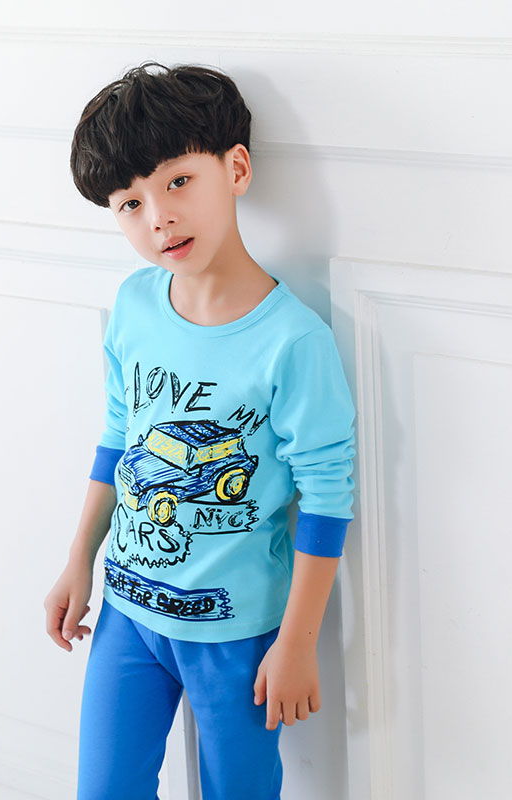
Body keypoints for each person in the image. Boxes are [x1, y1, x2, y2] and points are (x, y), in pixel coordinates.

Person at [43, 62, 356, 800]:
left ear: (236, 168)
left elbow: (326, 495)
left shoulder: (292, 342)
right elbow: (118, 439)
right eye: (130, 203)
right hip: (126, 615)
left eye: (178, 182)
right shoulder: (135, 306)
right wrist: (80, 558)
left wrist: (297, 643)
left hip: (235, 634)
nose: (158, 218)